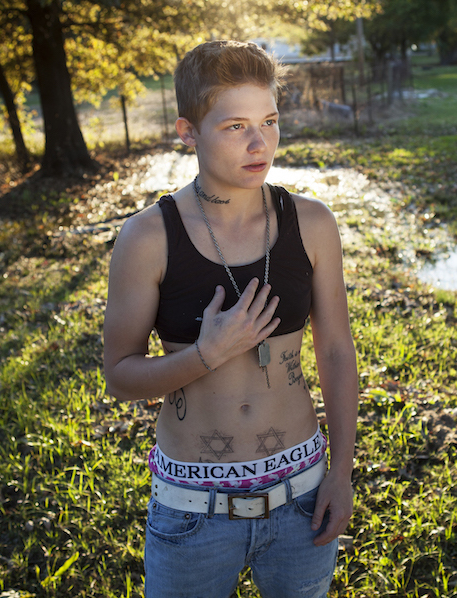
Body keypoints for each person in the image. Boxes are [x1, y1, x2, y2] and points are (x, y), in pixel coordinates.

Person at [102, 39, 359, 598]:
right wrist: (204, 355)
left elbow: (336, 352)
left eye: (269, 120)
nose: (259, 142)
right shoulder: (148, 237)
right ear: (188, 131)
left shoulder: (311, 224)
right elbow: (119, 375)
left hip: (303, 497)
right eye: (235, 126)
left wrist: (340, 473)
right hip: (193, 512)